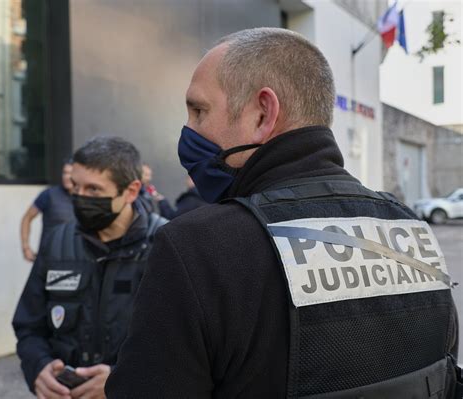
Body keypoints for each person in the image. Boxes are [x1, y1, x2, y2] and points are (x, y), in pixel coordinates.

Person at [106, 28, 460, 398]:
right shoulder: (410, 231)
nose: (189, 130)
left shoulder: (195, 249)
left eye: (199, 111)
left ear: (263, 114)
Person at [13, 136, 167, 399]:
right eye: (75, 187)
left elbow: (184, 346)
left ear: (131, 191)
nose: (80, 198)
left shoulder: (166, 245)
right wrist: (38, 368)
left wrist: (123, 380)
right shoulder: (57, 242)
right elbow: (29, 325)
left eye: (94, 190)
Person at [20, 162, 75, 262]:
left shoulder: (86, 197)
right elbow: (27, 218)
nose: (67, 177)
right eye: (65, 173)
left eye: (71, 173)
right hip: (49, 257)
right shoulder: (49, 195)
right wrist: (26, 247)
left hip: (76, 257)